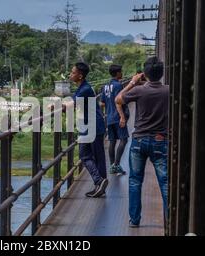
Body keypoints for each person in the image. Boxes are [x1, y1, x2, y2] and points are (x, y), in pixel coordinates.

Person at [116, 57, 169, 227]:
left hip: (139, 141)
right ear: (161, 74)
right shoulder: (169, 91)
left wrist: (132, 82)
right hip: (160, 141)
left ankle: (135, 220)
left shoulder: (139, 91)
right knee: (165, 182)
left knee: (135, 181)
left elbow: (118, 99)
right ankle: (169, 220)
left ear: (144, 74)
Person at [68, 62, 108, 198]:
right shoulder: (83, 87)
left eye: (73, 72)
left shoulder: (84, 89)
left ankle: (99, 181)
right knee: (96, 156)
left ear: (80, 76)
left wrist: (55, 105)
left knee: (85, 155)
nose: (70, 75)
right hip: (91, 125)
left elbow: (72, 104)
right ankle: (100, 185)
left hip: (92, 126)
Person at [100, 64, 130, 176]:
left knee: (112, 141)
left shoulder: (105, 86)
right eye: (121, 72)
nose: (122, 74)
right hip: (118, 117)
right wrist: (122, 116)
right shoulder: (118, 85)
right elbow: (119, 101)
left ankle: (113, 165)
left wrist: (109, 107)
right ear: (117, 73)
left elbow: (102, 102)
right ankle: (116, 165)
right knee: (124, 140)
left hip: (109, 117)